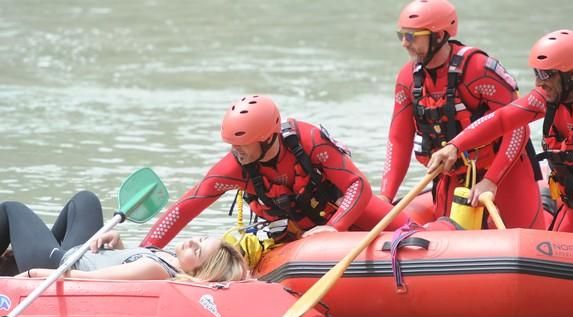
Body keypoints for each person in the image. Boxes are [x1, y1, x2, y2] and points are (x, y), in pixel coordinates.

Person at [141, 95, 410, 248]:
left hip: (346, 214)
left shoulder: (309, 141)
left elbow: (358, 186)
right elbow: (186, 207)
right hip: (293, 237)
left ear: (268, 137)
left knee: (413, 231)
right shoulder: (234, 168)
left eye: (242, 144)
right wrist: (146, 250)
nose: (236, 152)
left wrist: (334, 227)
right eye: (232, 145)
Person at [379, 0, 545, 229]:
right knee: (444, 242)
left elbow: (516, 127)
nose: (405, 44)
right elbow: (398, 140)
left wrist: (491, 180)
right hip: (453, 178)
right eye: (402, 36)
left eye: (413, 36)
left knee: (522, 239)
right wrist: (385, 197)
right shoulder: (407, 79)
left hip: (505, 173)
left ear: (439, 35)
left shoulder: (480, 70)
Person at [428, 29, 573, 237]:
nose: (538, 83)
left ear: (572, 74)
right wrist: (455, 146)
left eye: (546, 75)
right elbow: (501, 120)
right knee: (544, 262)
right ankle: (548, 203)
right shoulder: (546, 98)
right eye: (536, 74)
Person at [0, 191, 248, 281]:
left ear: (199, 272)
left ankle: (25, 260)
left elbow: (92, 279)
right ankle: (17, 259)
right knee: (86, 200)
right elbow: (124, 263)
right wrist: (117, 245)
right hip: (80, 253)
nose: (194, 241)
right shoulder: (167, 258)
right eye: (202, 238)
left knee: (11, 209)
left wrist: (36, 274)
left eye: (199, 251)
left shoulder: (156, 269)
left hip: (58, 266)